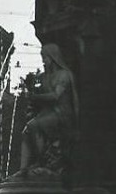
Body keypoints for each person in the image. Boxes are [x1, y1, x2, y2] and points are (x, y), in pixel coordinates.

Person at [18, 44, 78, 175]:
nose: (43, 60)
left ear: (53, 57)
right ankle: (23, 169)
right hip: (49, 112)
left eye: (45, 57)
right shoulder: (45, 76)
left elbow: (56, 96)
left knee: (33, 125)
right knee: (26, 131)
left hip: (62, 113)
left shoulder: (64, 75)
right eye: (42, 57)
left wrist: (35, 97)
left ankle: (41, 162)